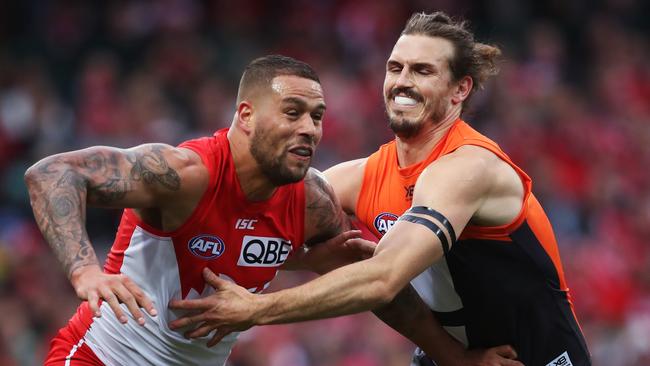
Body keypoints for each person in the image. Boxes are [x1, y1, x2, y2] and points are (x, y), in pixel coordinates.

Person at [25, 55, 517, 366]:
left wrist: (455, 359)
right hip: (100, 356)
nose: (310, 129)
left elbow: (374, 282)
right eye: (293, 113)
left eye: (318, 117)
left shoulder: (311, 202)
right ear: (245, 116)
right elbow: (51, 174)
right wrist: (84, 271)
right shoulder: (184, 173)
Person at [169, 12, 592, 366]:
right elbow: (261, 227)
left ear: (461, 89)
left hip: (535, 355)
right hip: (451, 358)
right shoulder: (362, 177)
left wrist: (257, 310)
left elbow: (384, 279)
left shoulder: (469, 168)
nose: (402, 82)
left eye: (422, 71)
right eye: (395, 68)